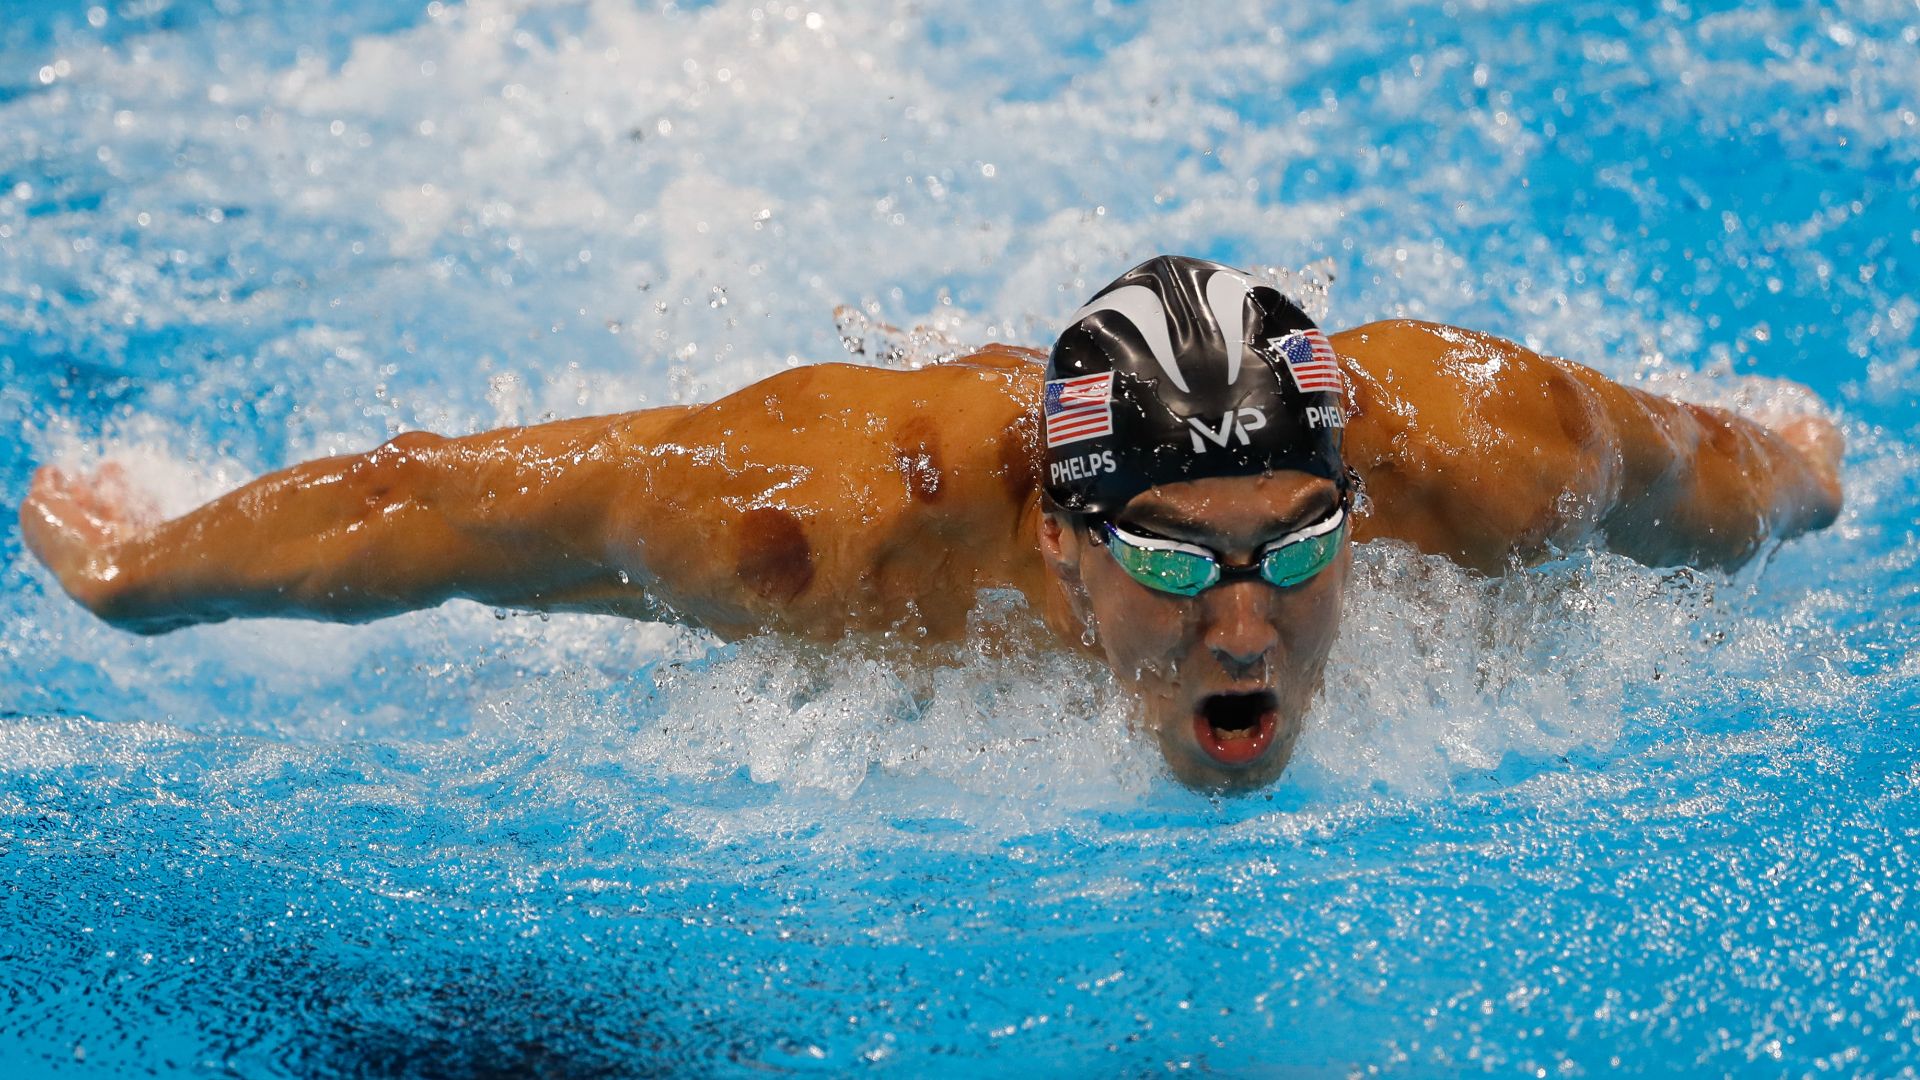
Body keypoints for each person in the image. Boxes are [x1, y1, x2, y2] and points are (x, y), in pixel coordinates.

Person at [19, 256, 1843, 790]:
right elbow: (439, 508)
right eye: (1169, 556)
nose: (1241, 626)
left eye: (1297, 548)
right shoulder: (815, 533)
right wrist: (143, 575)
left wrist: (1813, 467)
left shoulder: (1494, 457)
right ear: (1056, 538)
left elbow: (1730, 471)